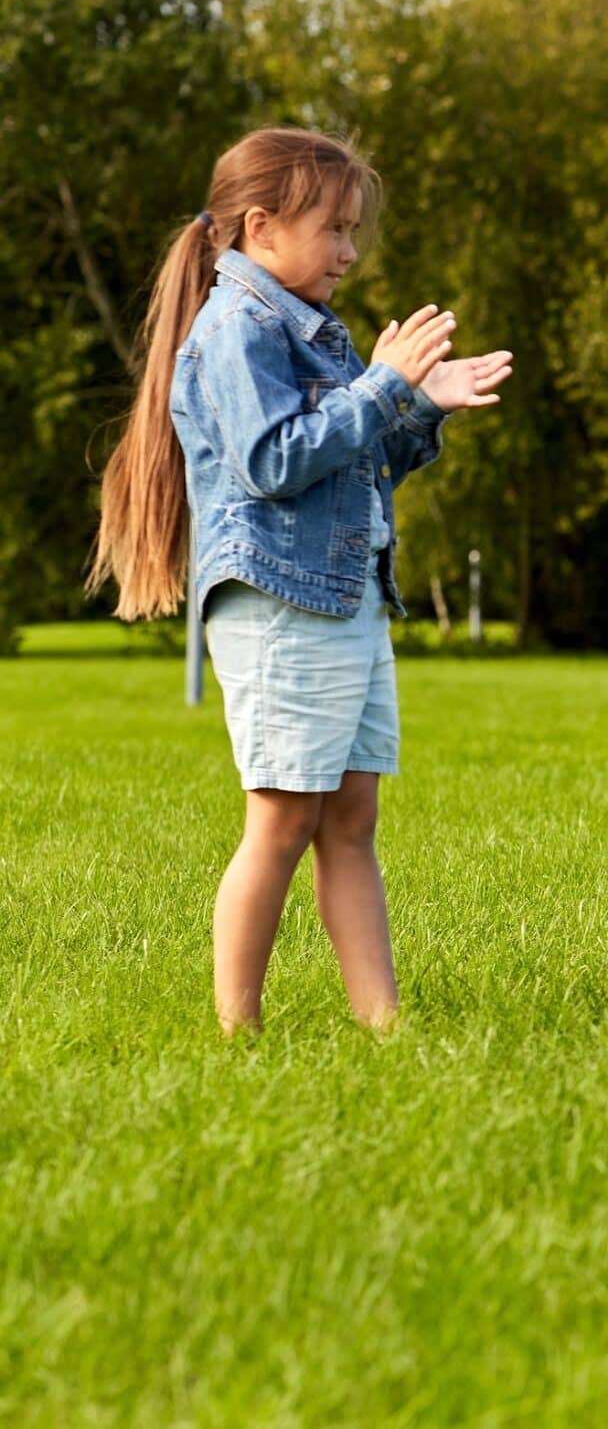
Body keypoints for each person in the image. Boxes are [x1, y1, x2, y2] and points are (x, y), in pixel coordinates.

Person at [88, 127, 514, 1034]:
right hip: (282, 604)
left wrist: (416, 402)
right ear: (261, 227)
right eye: (335, 229)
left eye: (354, 230)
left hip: (344, 595)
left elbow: (354, 468)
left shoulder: (311, 327)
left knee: (351, 816)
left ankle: (385, 1027)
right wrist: (380, 387)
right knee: (281, 819)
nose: (351, 251)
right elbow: (274, 460)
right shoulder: (237, 329)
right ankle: (237, 1032)